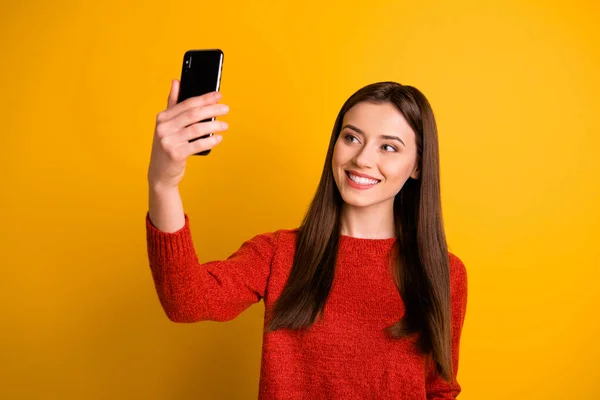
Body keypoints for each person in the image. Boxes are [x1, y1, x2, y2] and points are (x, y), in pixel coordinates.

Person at [146, 79, 468, 399]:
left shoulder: (444, 273)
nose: (362, 159)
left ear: (417, 166)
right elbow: (186, 301)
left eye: (388, 147)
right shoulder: (278, 254)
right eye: (352, 138)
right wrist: (163, 184)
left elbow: (439, 389)